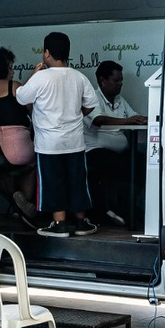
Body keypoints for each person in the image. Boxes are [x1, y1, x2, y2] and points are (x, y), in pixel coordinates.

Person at [15, 31, 100, 238]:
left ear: (46, 53)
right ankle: (81, 223)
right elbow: (91, 105)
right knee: (77, 181)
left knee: (53, 181)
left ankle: (59, 224)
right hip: (75, 142)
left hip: (48, 143)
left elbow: (21, 97)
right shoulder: (79, 77)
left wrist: (34, 75)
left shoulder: (41, 78)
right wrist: (76, 114)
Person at [84, 60, 147, 227]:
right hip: (95, 152)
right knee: (129, 168)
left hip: (117, 152)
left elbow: (133, 116)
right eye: (116, 80)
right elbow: (98, 119)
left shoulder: (120, 99)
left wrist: (145, 118)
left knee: (144, 164)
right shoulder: (92, 98)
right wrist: (128, 120)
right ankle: (120, 209)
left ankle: (129, 209)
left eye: (121, 81)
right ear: (102, 81)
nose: (120, 84)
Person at [0, 48, 38, 228]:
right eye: (10, 67)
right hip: (17, 145)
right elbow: (33, 109)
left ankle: (15, 198)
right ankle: (22, 207)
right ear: (3, 68)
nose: (13, 71)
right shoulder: (13, 86)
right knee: (33, 164)